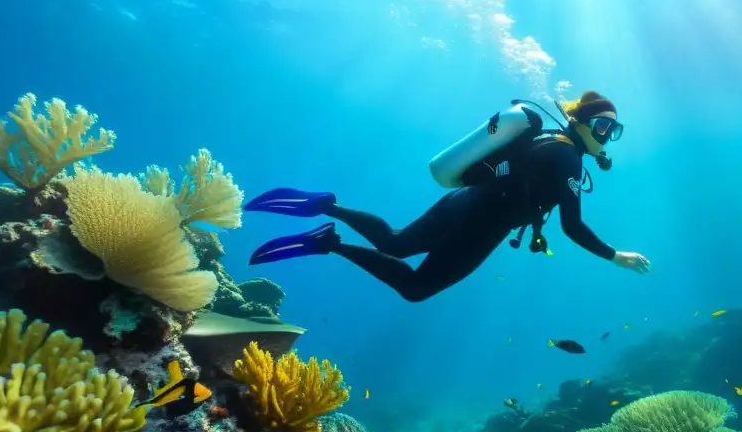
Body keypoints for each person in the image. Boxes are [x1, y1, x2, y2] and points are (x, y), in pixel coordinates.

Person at [243, 90, 651, 302]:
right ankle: (327, 243)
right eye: (602, 127)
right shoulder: (566, 157)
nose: (606, 139)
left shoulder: (548, 141)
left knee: (395, 242)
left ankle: (327, 205)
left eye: (614, 132)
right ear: (580, 123)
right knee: (416, 288)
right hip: (481, 225)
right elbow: (572, 224)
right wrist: (616, 256)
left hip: (465, 202)